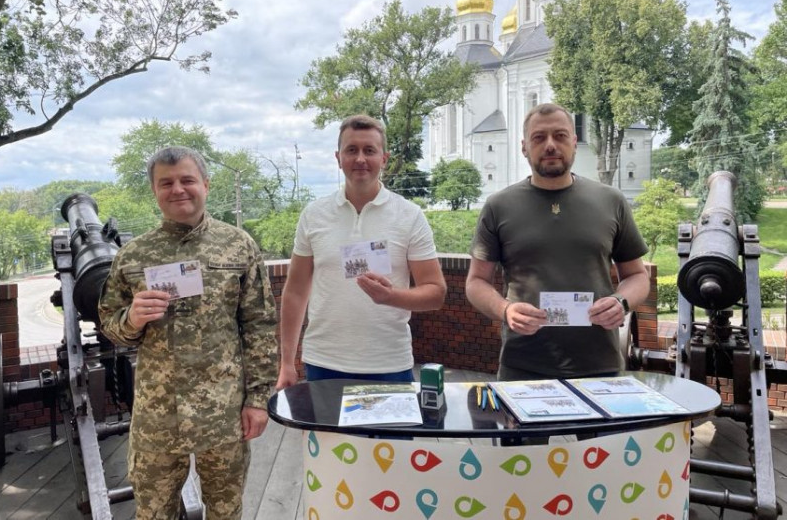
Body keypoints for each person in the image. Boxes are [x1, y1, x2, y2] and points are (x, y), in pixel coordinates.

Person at [98, 146, 277, 520]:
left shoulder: (238, 246)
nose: (178, 189)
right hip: (157, 417)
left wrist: (257, 400)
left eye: (187, 180)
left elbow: (259, 326)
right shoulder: (132, 256)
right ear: (155, 191)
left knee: (225, 512)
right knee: (152, 512)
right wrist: (132, 319)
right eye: (167, 183)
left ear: (206, 185)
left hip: (223, 411)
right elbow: (110, 327)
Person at [466, 103, 650, 381]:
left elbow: (637, 275)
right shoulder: (498, 206)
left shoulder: (611, 201)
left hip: (600, 366)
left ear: (574, 142)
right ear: (524, 147)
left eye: (560, 136)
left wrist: (621, 302)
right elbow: (476, 282)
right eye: (539, 138)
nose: (550, 145)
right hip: (523, 367)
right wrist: (505, 309)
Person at [276, 114, 446, 388]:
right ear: (338, 157)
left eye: (369, 150)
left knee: (390, 434)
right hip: (323, 363)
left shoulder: (410, 216)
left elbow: (436, 293)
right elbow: (295, 291)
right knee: (329, 434)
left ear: (384, 158)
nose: (360, 159)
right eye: (351, 150)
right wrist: (286, 363)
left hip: (389, 363)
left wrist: (392, 297)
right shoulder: (314, 215)